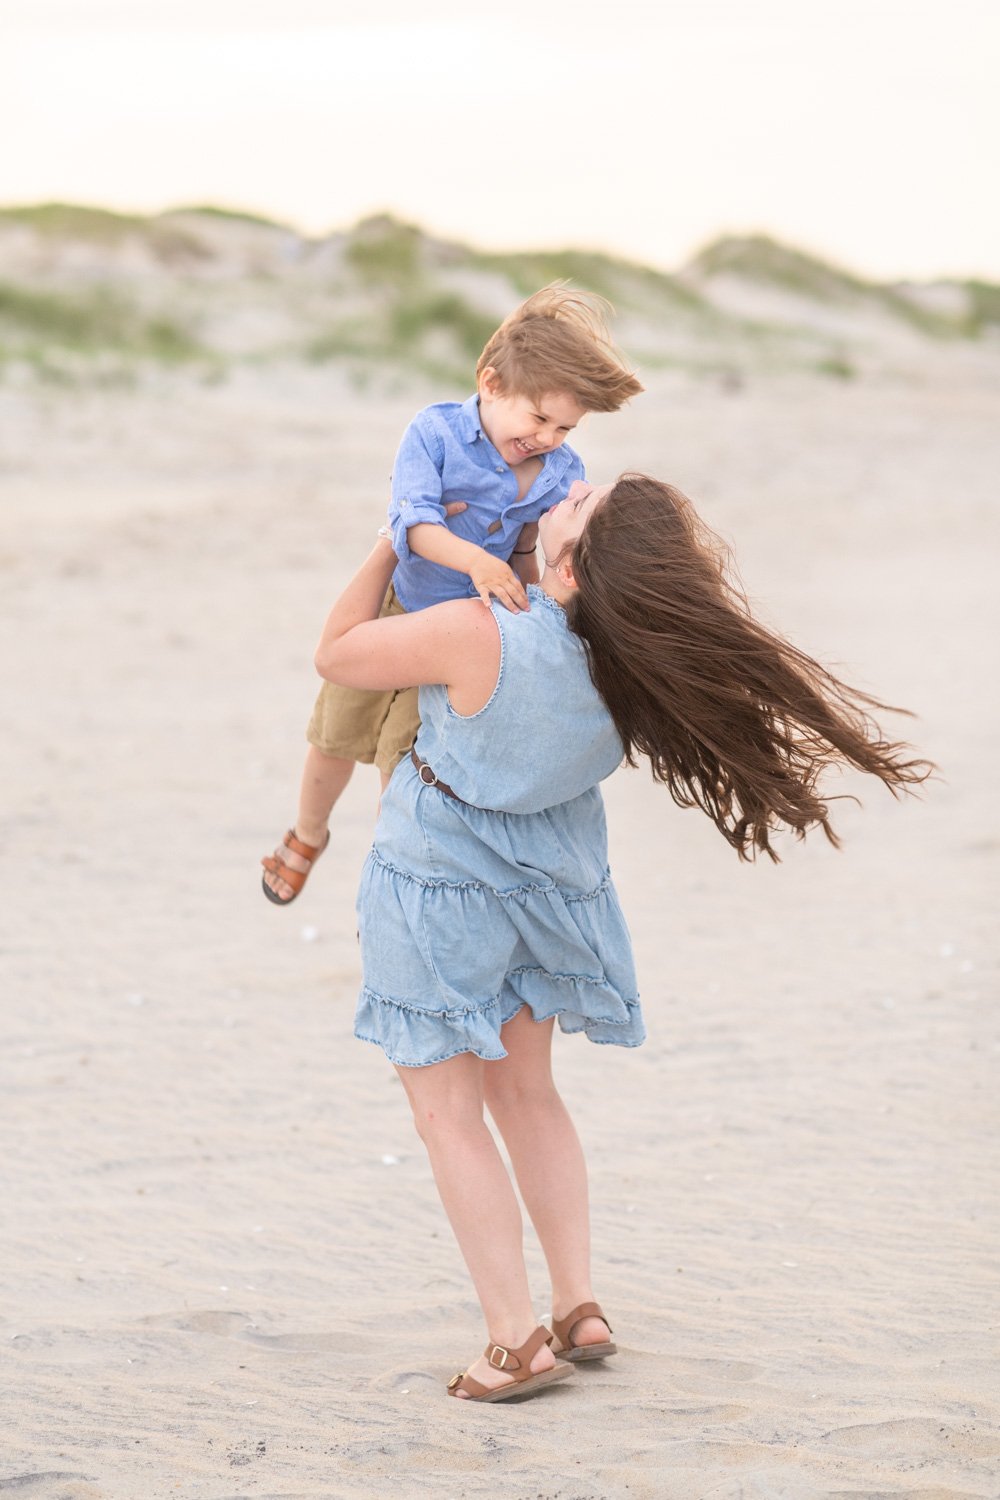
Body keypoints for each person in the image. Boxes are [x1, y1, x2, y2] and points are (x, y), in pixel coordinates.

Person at [312, 472, 931, 1403]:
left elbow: (336, 655)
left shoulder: (478, 637)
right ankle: (578, 1303)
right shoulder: (623, 668)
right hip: (550, 891)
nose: (563, 491)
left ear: (567, 563)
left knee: (447, 1114)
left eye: (573, 508)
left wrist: (394, 536)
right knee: (528, 1093)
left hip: (440, 892)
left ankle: (515, 1342)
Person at [261, 286, 643, 904]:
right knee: (333, 737)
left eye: (565, 427)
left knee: (404, 767)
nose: (547, 436)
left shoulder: (561, 473)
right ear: (491, 384)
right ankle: (308, 832)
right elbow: (412, 522)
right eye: (538, 418)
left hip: (462, 639)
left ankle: (389, 888)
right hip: (397, 609)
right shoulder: (435, 432)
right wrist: (474, 560)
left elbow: (542, 550)